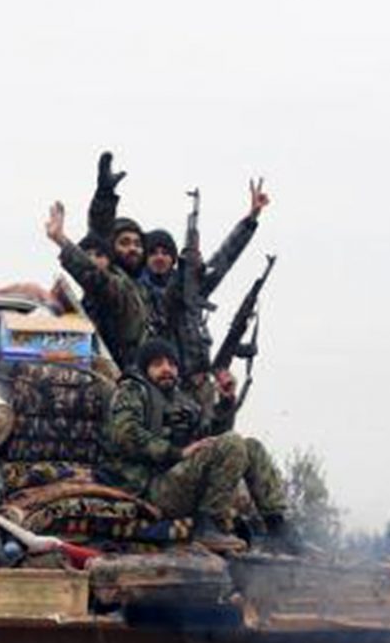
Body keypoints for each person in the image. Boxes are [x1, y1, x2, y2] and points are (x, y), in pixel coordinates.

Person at [101, 337, 290, 550]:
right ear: (145, 369)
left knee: (251, 446)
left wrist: (225, 403)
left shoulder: (182, 401)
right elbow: (126, 434)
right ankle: (208, 525)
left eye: (171, 364)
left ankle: (278, 527)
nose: (167, 369)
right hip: (149, 488)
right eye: (158, 364)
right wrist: (177, 453)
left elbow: (212, 440)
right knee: (233, 443)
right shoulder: (132, 390)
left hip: (179, 483)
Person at [161, 176, 270, 372]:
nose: (160, 258)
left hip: (200, 378)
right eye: (154, 253)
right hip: (173, 374)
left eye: (165, 253)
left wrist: (251, 219)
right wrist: (186, 266)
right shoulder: (159, 293)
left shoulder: (195, 291)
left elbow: (226, 257)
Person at [43, 200, 148, 365]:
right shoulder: (90, 300)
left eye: (99, 255)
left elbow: (99, 280)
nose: (133, 249)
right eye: (124, 242)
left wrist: (61, 240)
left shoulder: (125, 289)